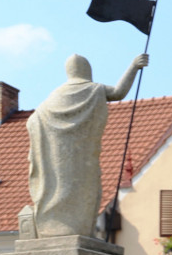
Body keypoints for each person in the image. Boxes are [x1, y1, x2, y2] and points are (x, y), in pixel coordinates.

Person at [23, 53, 148, 238]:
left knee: (58, 189)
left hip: (56, 158)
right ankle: (77, 230)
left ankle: (55, 228)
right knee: (85, 192)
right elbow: (118, 92)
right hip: (82, 158)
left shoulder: (53, 96)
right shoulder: (94, 89)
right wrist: (134, 67)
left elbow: (32, 122)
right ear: (88, 70)